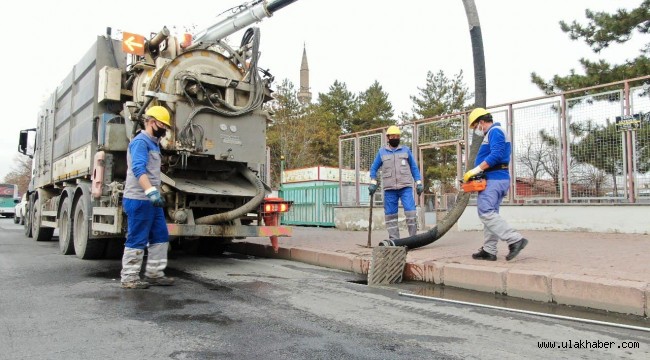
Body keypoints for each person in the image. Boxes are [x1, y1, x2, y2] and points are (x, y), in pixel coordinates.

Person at [120, 105, 175, 289]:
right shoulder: (140, 142)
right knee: (138, 237)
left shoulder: (154, 143)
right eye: (162, 125)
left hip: (152, 201)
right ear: (151, 122)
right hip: (139, 199)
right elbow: (138, 169)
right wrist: (150, 191)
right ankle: (129, 278)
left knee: (160, 235)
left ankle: (154, 273)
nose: (164, 129)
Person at [464, 108, 528, 261]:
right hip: (496, 178)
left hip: (494, 179)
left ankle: (515, 239)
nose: (475, 130)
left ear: (481, 122)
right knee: (491, 215)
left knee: (485, 212)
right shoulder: (494, 132)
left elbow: (496, 154)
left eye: (475, 127)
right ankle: (489, 249)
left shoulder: (495, 131)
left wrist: (476, 170)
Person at [369, 125, 424, 240]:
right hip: (389, 189)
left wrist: (418, 182)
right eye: (393, 136)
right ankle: (394, 240)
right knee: (390, 215)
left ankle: (413, 239)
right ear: (388, 138)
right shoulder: (382, 152)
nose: (395, 138)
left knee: (411, 212)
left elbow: (414, 167)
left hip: (405, 187)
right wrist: (373, 181)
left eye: (397, 136)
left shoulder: (405, 150)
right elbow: (374, 168)